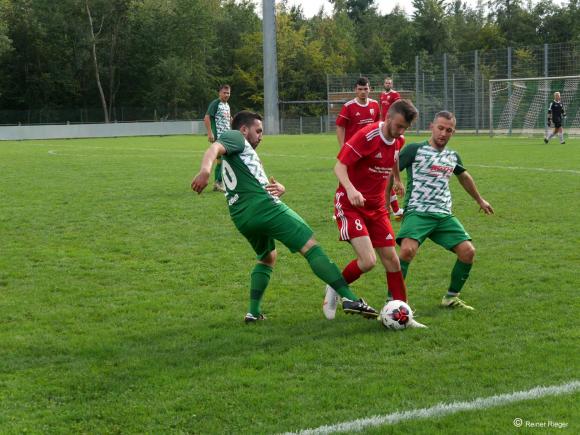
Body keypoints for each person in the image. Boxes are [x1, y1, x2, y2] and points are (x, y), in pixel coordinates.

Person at [192, 110, 379, 323]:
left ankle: (253, 312)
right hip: (264, 207)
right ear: (244, 129)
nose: (261, 135)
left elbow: (253, 177)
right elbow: (214, 147)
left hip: (241, 216)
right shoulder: (236, 136)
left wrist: (279, 187)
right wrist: (205, 171)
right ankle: (350, 298)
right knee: (310, 246)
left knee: (267, 257)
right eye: (258, 130)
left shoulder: (242, 153)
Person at [323, 100, 425, 328]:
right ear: (388, 117)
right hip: (351, 204)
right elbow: (339, 166)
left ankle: (403, 316)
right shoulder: (367, 135)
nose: (400, 131)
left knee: (393, 261)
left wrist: (396, 181)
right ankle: (335, 286)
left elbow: (392, 161)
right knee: (368, 261)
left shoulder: (399, 140)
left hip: (377, 208)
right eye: (398, 125)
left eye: (405, 128)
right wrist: (351, 189)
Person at [396, 111, 494, 311]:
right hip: (418, 211)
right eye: (440, 128)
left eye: (448, 130)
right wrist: (395, 183)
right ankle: (394, 302)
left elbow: (464, 177)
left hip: (443, 215)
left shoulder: (452, 156)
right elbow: (390, 166)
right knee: (407, 250)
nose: (443, 133)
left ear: (453, 132)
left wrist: (480, 200)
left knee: (468, 252)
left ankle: (450, 298)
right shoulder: (415, 149)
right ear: (432, 126)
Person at [380, 78, 404, 221]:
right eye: (386, 83)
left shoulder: (395, 95)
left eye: (390, 83)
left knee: (385, 178)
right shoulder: (382, 95)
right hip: (384, 128)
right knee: (383, 179)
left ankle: (391, 209)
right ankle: (393, 209)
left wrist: (397, 179)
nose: (388, 85)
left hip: (388, 131)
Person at [335, 77, 380, 147]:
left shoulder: (375, 104)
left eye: (365, 89)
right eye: (360, 89)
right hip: (353, 147)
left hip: (370, 147)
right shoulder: (348, 106)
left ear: (369, 89)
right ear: (355, 90)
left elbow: (377, 125)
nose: (363, 92)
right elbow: (340, 126)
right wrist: (342, 146)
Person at [203, 84, 232, 192]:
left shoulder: (227, 105)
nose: (226, 95)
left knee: (222, 160)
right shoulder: (216, 103)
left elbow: (229, 119)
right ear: (219, 93)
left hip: (226, 136)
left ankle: (218, 183)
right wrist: (210, 133)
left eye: (228, 93)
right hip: (218, 136)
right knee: (223, 159)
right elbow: (206, 118)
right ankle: (218, 183)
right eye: (224, 92)